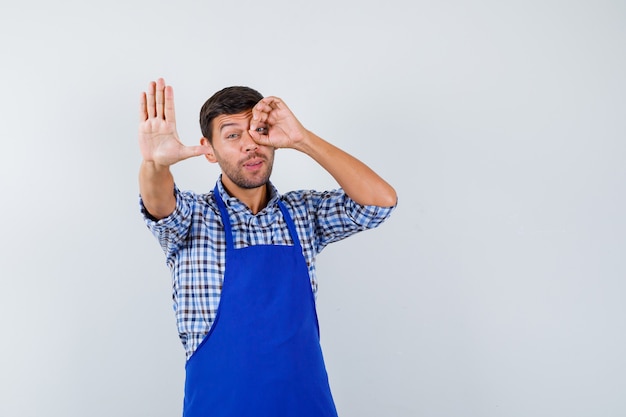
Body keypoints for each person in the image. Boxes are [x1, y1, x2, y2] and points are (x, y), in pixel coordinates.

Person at [138, 77, 397, 417]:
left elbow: (380, 203)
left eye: (258, 131)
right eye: (232, 135)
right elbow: (158, 203)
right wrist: (155, 164)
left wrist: (302, 139)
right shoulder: (193, 219)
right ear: (208, 150)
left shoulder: (304, 213)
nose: (250, 145)